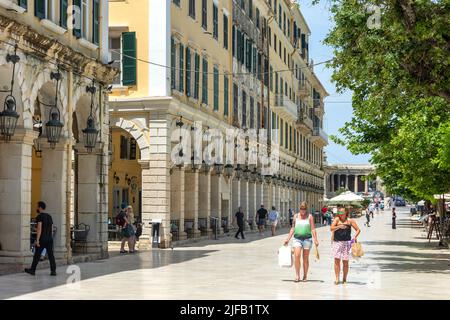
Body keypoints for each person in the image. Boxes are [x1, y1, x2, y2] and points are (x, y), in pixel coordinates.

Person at [284, 201, 319, 282]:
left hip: (307, 239)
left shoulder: (310, 217)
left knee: (305, 258)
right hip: (297, 239)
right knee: (297, 256)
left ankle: (305, 275)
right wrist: (288, 239)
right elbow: (293, 228)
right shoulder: (295, 216)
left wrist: (316, 239)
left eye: (304, 209)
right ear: (299, 209)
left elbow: (313, 229)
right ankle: (297, 275)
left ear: (306, 209)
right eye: (301, 209)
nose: (302, 211)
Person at [25, 201, 57, 276]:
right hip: (49, 239)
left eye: (37, 206)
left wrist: (37, 240)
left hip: (42, 239)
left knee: (37, 255)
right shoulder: (49, 216)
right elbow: (51, 228)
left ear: (40, 207)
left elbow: (39, 228)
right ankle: (53, 271)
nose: (36, 208)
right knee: (51, 255)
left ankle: (32, 270)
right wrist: (50, 237)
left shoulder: (39, 217)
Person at [330, 207, 361, 285]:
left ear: (346, 212)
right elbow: (331, 228)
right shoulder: (336, 220)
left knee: (345, 262)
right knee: (336, 261)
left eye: (342, 212)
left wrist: (354, 237)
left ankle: (344, 279)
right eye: (339, 212)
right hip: (337, 242)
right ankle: (337, 278)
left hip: (347, 243)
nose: (341, 214)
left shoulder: (350, 221)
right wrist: (339, 226)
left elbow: (358, 230)